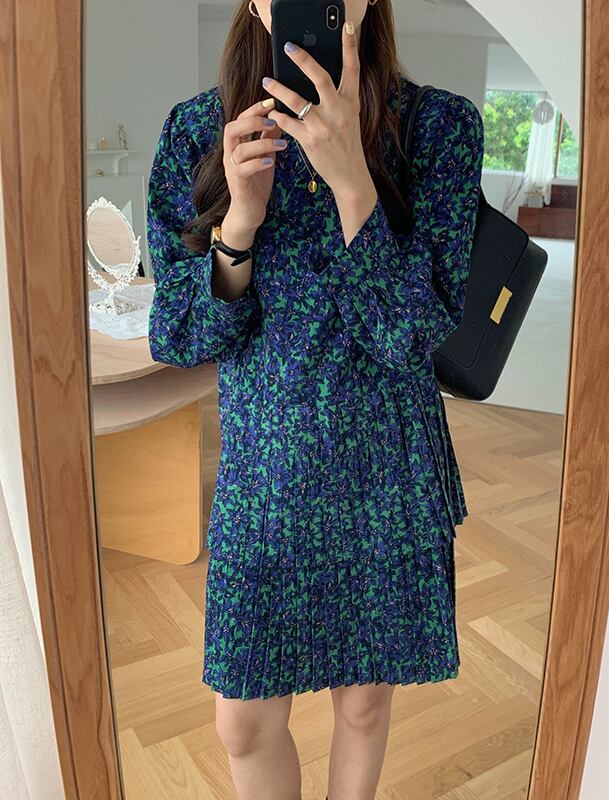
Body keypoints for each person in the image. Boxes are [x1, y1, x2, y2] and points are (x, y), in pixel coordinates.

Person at [146, 0, 484, 796]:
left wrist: (352, 181)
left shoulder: (439, 128)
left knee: (364, 704)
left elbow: (410, 334)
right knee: (243, 721)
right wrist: (241, 221)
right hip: (265, 477)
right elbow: (179, 334)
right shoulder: (198, 132)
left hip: (387, 468)